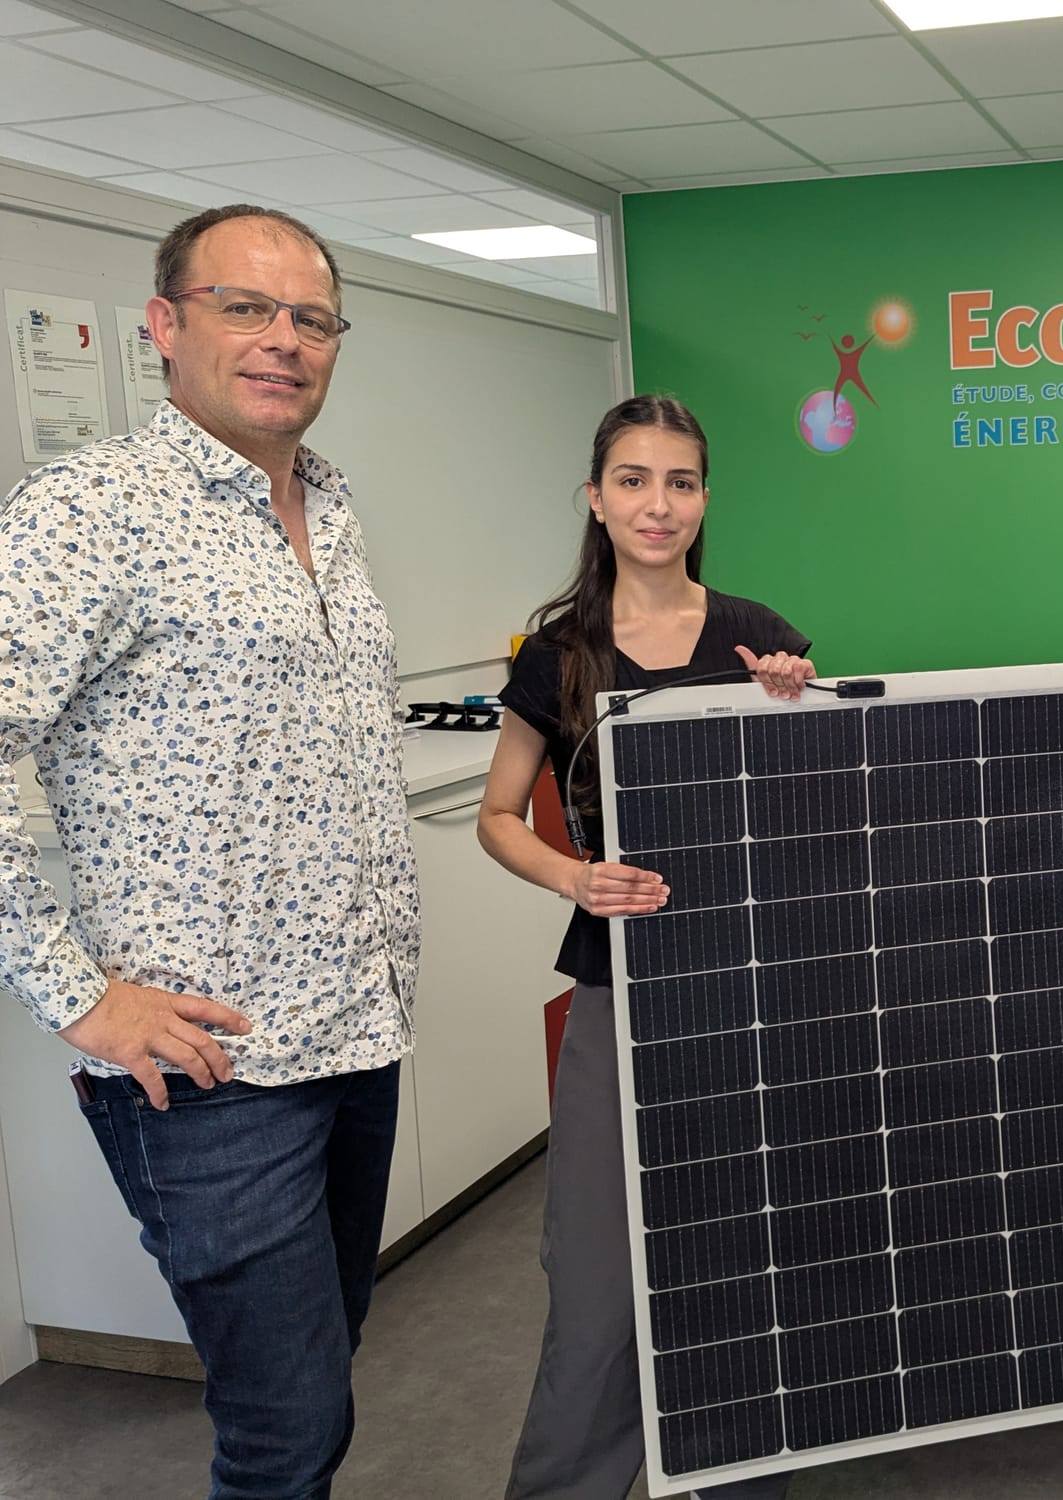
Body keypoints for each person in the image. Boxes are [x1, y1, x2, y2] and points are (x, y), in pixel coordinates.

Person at [0, 205, 418, 1496]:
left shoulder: (329, 507)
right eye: (245, 307)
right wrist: (74, 992)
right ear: (165, 326)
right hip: (212, 1070)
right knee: (283, 1433)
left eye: (312, 318)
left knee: (321, 1390)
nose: (284, 339)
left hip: (356, 1036)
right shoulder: (89, 512)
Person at [480, 395, 808, 1500]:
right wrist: (574, 877)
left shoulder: (762, 636)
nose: (656, 504)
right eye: (632, 480)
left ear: (704, 498)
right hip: (619, 985)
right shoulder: (556, 654)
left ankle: (741, 1470)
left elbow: (826, 806)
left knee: (748, 1247)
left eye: (679, 482)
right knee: (597, 1268)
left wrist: (796, 709)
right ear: (595, 498)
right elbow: (498, 818)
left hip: (755, 981)